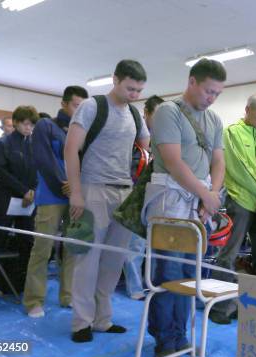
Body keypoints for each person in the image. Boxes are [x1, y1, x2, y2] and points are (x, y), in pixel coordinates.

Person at [141, 58, 225, 357]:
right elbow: (174, 162)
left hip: (199, 206)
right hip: (171, 203)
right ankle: (165, 340)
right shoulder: (168, 112)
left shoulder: (214, 119)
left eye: (217, 93)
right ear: (192, 82)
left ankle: (181, 334)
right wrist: (206, 194)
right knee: (169, 274)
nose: (211, 97)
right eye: (207, 91)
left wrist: (211, 196)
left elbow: (218, 161)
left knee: (192, 276)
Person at [65, 59, 150, 342]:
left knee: (114, 260)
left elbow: (146, 148)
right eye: (130, 88)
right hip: (91, 190)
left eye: (139, 90)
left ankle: (103, 319)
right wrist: (76, 192)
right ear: (115, 80)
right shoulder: (92, 107)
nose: (134, 95)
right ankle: (81, 322)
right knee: (86, 259)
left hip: (124, 192)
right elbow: (70, 150)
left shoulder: (135, 114)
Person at [209, 94, 256, 325]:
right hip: (239, 203)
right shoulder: (232, 133)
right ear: (248, 109)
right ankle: (220, 308)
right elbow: (239, 169)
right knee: (228, 256)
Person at [22, 85, 88, 318]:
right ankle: (33, 301)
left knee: (73, 250)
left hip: (76, 197)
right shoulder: (45, 126)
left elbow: (86, 161)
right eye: (76, 105)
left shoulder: (81, 130)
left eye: (83, 107)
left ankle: (68, 295)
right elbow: (44, 159)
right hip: (52, 195)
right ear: (64, 103)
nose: (79, 110)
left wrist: (78, 187)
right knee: (42, 249)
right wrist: (65, 184)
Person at [0, 106, 39, 296]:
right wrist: (23, 190)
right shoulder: (0, 144)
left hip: (28, 200)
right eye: (25, 124)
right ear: (15, 122)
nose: (28, 128)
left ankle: (18, 284)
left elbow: (38, 171)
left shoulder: (34, 144)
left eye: (32, 125)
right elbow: (1, 171)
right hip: (5, 198)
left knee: (26, 241)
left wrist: (32, 191)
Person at [123, 94, 164, 301]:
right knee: (135, 244)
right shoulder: (132, 137)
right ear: (146, 113)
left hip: (157, 197)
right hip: (134, 194)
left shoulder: (166, 138)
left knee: (156, 245)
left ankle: (154, 285)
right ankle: (135, 287)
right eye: (155, 115)